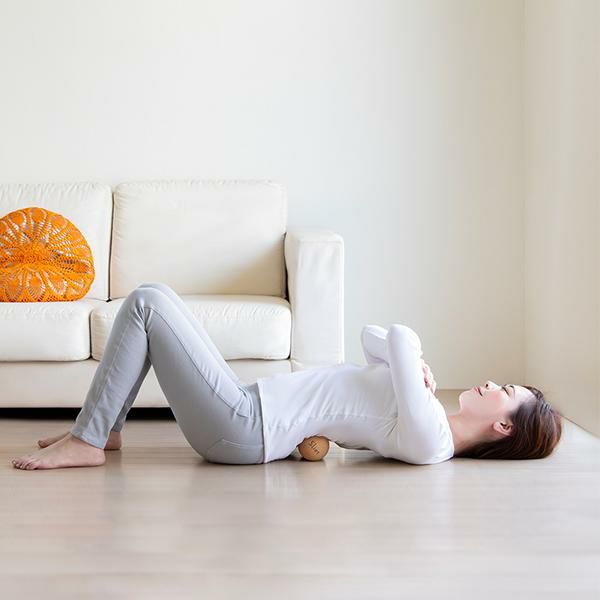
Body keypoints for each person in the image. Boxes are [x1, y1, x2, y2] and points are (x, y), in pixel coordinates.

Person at [10, 283, 563, 470]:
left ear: (504, 428)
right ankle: (103, 428)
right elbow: (373, 338)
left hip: (245, 428)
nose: (493, 384)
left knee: (146, 305)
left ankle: (89, 439)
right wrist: (409, 365)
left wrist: (411, 361)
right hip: (248, 405)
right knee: (156, 295)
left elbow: (398, 337)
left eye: (505, 393)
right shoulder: (425, 409)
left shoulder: (433, 442)